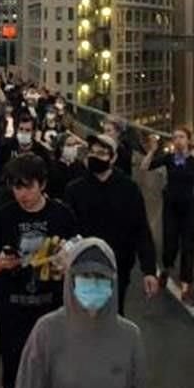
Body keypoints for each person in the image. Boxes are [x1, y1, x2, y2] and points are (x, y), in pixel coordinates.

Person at [4, 238, 148, 388]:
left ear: (113, 282)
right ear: (70, 279)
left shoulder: (129, 338)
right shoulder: (47, 334)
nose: (94, 285)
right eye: (86, 277)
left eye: (101, 278)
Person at [0, 154, 77, 388]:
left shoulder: (62, 215)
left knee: (55, 384)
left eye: (27, 186)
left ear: (43, 184)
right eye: (16, 187)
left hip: (53, 313)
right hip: (11, 315)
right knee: (15, 384)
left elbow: (76, 256)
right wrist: (2, 264)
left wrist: (63, 264)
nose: (22, 194)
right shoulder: (2, 217)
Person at [65, 134, 159, 315]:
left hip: (118, 266)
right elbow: (68, 230)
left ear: (113, 158)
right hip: (83, 266)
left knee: (113, 315)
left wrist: (149, 270)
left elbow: (141, 230)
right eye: (92, 153)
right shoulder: (74, 190)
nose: (95, 157)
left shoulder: (129, 189)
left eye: (101, 154)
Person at [139, 127, 194, 304]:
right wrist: (152, 150)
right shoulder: (169, 159)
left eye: (181, 137)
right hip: (170, 207)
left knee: (189, 247)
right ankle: (166, 268)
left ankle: (186, 287)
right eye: (175, 137)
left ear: (188, 140)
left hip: (189, 208)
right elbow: (145, 167)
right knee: (170, 243)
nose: (178, 140)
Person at [0, 113, 51, 179]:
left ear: (33, 132)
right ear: (17, 130)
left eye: (28, 130)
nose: (23, 133)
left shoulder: (41, 152)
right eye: (21, 129)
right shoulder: (5, 148)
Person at [46, 132, 85, 200]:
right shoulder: (52, 167)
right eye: (69, 145)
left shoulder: (80, 165)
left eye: (74, 145)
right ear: (60, 147)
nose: (73, 148)